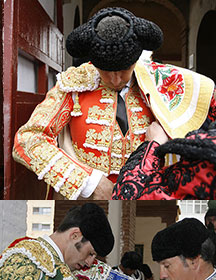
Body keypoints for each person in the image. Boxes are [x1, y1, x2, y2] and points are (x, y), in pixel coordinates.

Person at [13, 8, 215, 201]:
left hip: (147, 192)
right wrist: (89, 182)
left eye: (124, 70)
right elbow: (28, 139)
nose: (116, 79)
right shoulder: (73, 85)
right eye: (105, 71)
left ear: (136, 60)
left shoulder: (159, 82)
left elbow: (207, 93)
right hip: (88, 197)